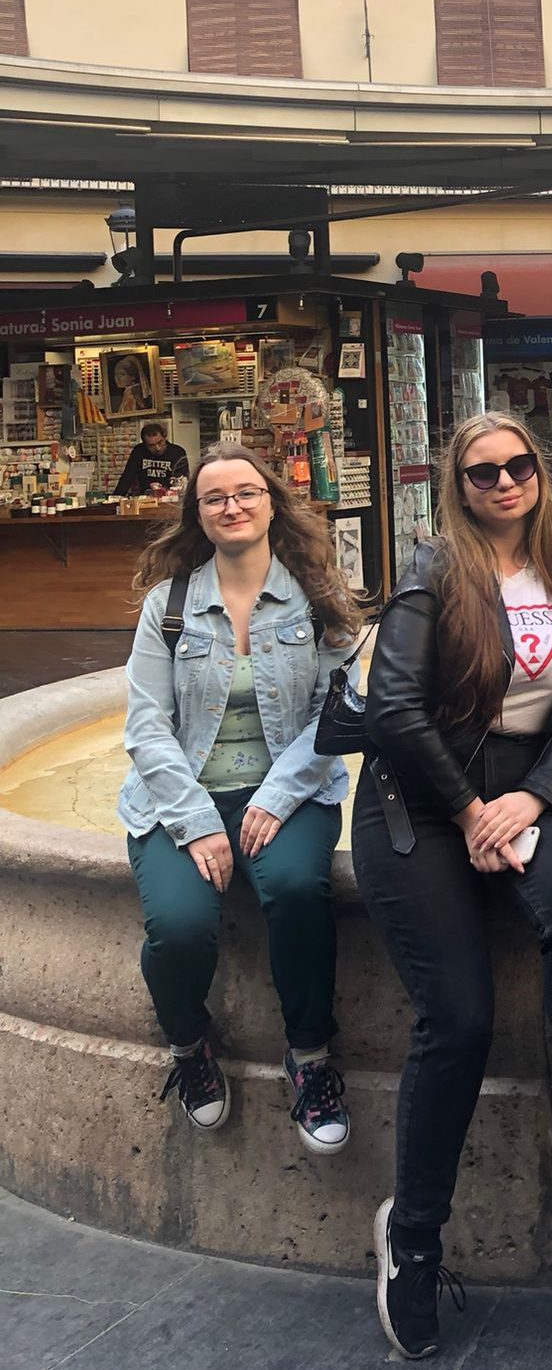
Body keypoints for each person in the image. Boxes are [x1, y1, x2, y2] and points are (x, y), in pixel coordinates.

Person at [355, 412, 552, 1363]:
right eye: (483, 473)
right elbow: (392, 707)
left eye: (518, 466)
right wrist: (472, 811)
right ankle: (412, 1238)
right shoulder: (434, 570)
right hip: (422, 799)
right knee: (460, 1017)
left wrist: (536, 795)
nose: (505, 482)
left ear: (541, 474)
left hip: (525, 791)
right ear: (459, 487)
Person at [118, 442, 357, 1155]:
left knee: (296, 888)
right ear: (198, 514)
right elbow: (145, 725)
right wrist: (196, 821)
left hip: (290, 789)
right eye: (215, 497)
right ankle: (189, 1042)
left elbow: (336, 714)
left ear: (272, 503)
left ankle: (310, 1055)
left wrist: (277, 796)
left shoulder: (318, 597)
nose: (232, 506)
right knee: (179, 925)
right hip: (180, 796)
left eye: (247, 492)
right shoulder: (168, 606)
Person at [115, 422, 190, 496]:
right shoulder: (139, 451)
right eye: (152, 445)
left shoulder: (177, 452)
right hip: (146, 498)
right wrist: (115, 498)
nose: (157, 448)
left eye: (160, 442)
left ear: (164, 437)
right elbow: (127, 477)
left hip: (170, 497)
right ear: (145, 444)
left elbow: (182, 480)